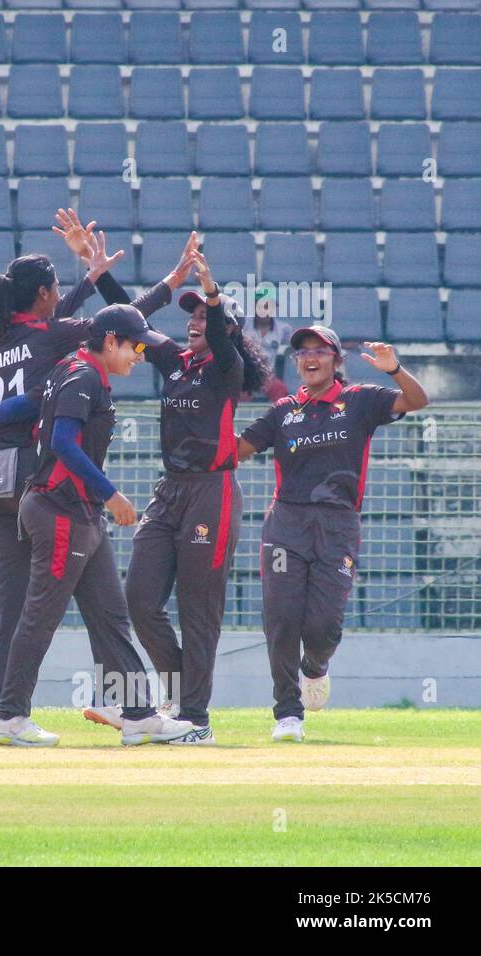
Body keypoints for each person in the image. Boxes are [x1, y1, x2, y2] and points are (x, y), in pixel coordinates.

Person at [0, 223, 200, 730]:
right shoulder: (72, 353)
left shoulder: (3, 337)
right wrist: (169, 281)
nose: (62, 297)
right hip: (36, 475)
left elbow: (70, 326)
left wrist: (91, 276)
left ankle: (13, 709)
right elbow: (122, 322)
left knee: (20, 607)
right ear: (42, 294)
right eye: (57, 290)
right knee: (44, 607)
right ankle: (14, 714)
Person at [237, 327, 428, 743]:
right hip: (286, 524)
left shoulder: (360, 400)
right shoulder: (283, 411)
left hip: (337, 524)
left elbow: (417, 400)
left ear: (335, 360)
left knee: (323, 626)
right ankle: (288, 712)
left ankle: (315, 667)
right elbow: (234, 451)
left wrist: (393, 368)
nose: (310, 358)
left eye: (319, 351)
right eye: (302, 352)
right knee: (281, 619)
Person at [122, 250, 271, 745]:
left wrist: (212, 290)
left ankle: (195, 719)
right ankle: (184, 693)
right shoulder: (174, 362)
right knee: (139, 599)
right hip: (170, 490)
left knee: (198, 609)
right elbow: (126, 323)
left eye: (205, 316)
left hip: (213, 490)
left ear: (227, 328)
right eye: (192, 314)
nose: (194, 322)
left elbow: (227, 351)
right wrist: (100, 276)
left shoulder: (225, 370)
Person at [245, 286, 293, 399]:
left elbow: (293, 350)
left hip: (268, 378)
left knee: (280, 389)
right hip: (245, 376)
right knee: (236, 391)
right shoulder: (243, 325)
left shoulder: (284, 329)